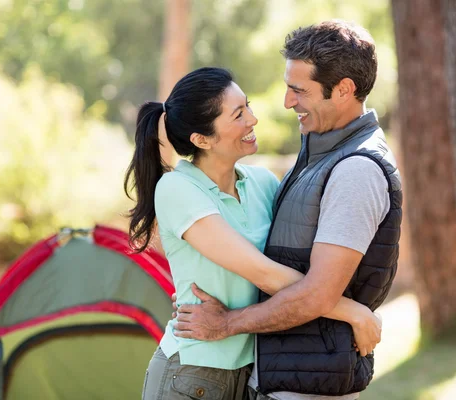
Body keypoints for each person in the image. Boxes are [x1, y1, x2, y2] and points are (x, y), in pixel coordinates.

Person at [172, 20, 402, 400]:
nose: (287, 101)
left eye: (299, 90)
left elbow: (317, 294)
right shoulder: (319, 151)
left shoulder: (355, 171)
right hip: (288, 375)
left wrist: (227, 323)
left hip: (311, 385)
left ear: (343, 90)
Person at [124, 67, 382, 400]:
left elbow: (299, 262)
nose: (253, 119)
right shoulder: (177, 189)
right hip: (193, 375)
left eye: (247, 106)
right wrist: (353, 313)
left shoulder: (263, 184)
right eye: (238, 114)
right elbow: (262, 273)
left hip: (257, 373)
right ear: (202, 140)